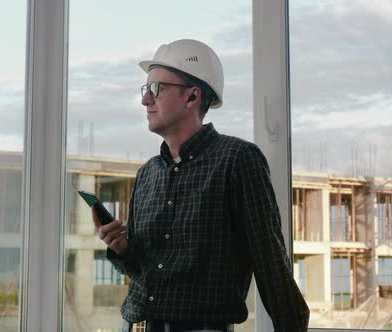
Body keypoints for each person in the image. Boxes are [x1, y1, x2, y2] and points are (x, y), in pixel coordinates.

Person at [94, 39, 309, 332]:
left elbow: (270, 259)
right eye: (145, 90)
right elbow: (142, 270)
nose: (146, 100)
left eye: (156, 89)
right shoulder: (147, 174)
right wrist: (120, 249)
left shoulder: (238, 160)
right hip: (136, 325)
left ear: (192, 97)